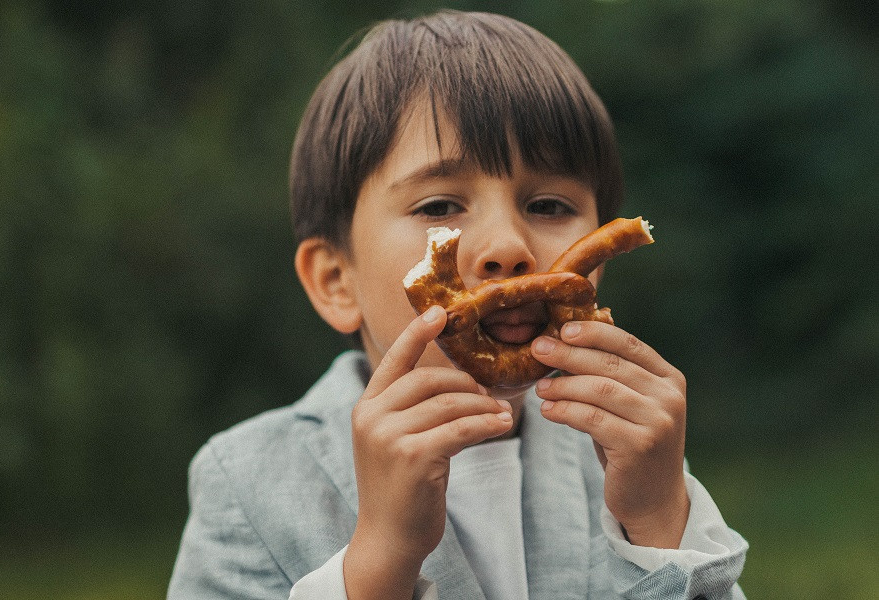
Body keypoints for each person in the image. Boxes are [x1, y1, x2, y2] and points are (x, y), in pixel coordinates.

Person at [167, 10, 748, 600]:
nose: (508, 249)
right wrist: (381, 559)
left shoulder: (628, 463)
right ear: (336, 281)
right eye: (440, 206)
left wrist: (660, 526)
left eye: (548, 206)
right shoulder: (246, 484)